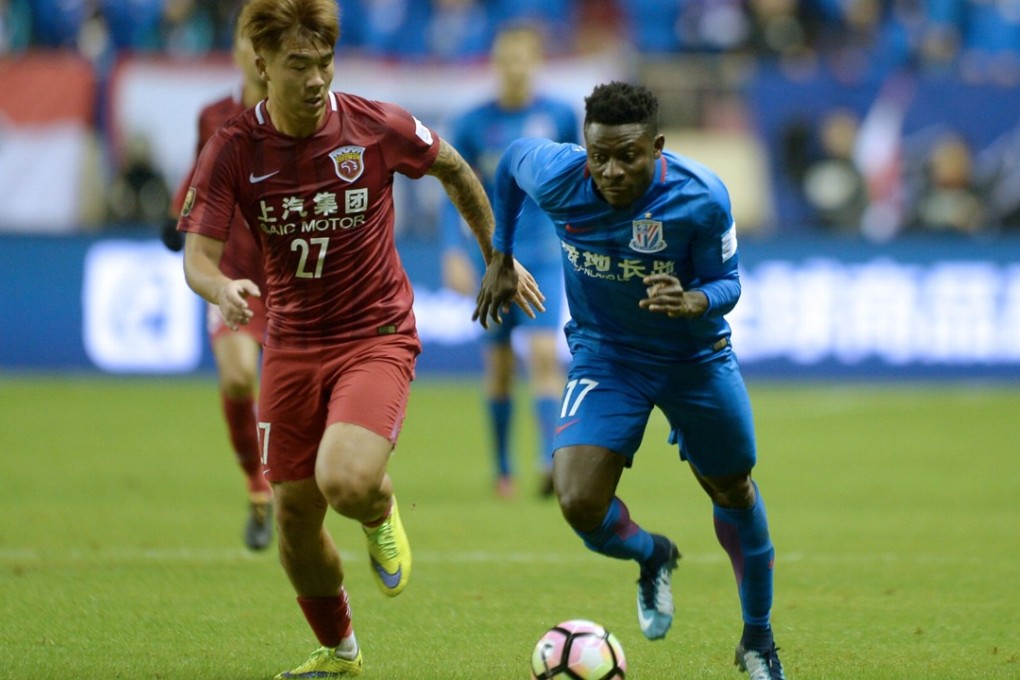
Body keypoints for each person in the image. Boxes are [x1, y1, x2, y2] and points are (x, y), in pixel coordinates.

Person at [178, 1, 541, 678]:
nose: (315, 80)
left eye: (324, 63)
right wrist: (220, 288)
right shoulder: (233, 145)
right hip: (289, 344)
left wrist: (497, 251)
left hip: (374, 332)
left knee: (344, 481)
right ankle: (341, 650)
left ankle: (378, 508)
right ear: (262, 64)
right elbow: (197, 255)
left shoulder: (374, 124)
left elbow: (456, 169)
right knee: (292, 519)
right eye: (297, 65)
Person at [474, 82, 786, 680]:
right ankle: (653, 555)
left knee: (734, 490)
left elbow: (731, 283)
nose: (610, 171)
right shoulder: (561, 175)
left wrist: (696, 299)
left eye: (627, 156)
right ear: (584, 148)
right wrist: (501, 254)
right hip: (606, 356)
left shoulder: (700, 196)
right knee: (578, 501)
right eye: (599, 156)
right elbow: (512, 159)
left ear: (657, 147)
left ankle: (757, 641)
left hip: (693, 359)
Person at [440, 23, 578, 499]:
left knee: (543, 353)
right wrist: (453, 249)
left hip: (543, 255)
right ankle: (503, 469)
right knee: (498, 364)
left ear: (535, 62)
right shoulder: (474, 124)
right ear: (496, 64)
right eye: (507, 59)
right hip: (494, 256)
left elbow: (580, 179)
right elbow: (452, 191)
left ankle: (548, 459)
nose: (515, 68)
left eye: (523, 58)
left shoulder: (559, 115)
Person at [161, 8, 274, 552]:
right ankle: (258, 489)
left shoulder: (301, 112)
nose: (253, 51)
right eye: (244, 40)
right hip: (234, 271)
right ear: (235, 50)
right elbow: (199, 172)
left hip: (296, 275)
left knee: (298, 401)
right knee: (236, 378)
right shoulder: (214, 116)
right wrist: (175, 209)